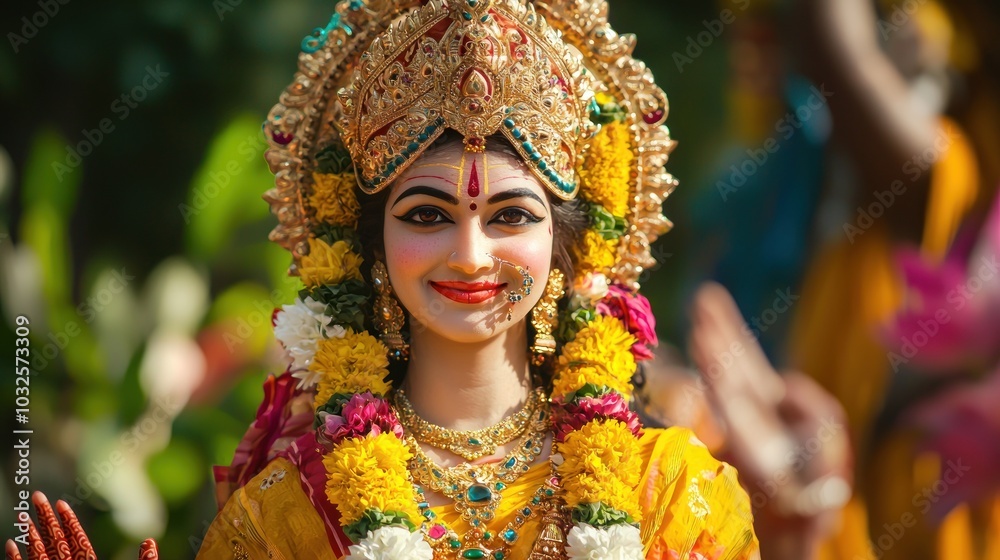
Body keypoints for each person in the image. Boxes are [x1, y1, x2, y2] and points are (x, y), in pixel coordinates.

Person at [7, 0, 761, 557]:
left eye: (510, 216)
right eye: (428, 216)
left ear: (565, 246)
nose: (470, 255)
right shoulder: (288, 515)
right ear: (368, 242)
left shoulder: (672, 498)